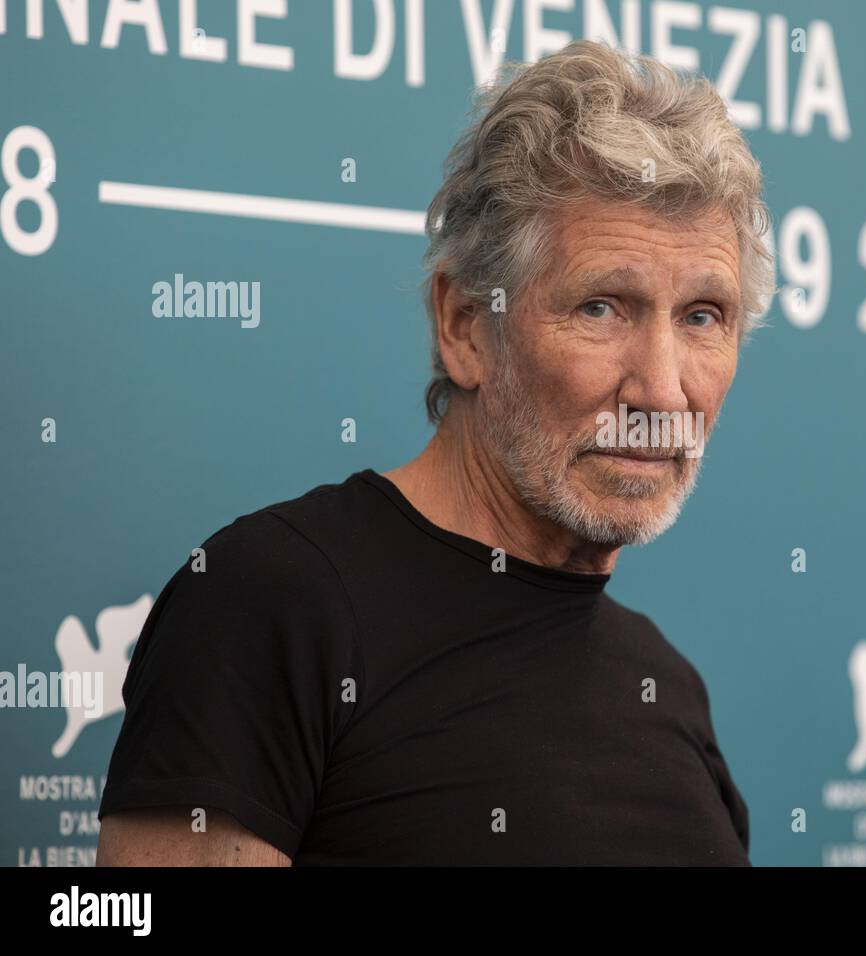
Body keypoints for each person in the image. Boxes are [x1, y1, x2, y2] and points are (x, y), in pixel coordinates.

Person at [97, 38, 775, 866]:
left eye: (703, 316)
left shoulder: (668, 685)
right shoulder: (269, 604)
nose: (664, 392)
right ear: (464, 328)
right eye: (602, 307)